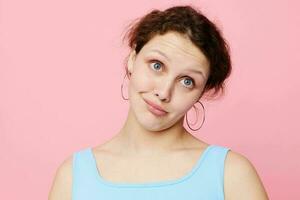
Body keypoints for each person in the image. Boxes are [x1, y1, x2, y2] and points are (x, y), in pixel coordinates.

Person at [49, 5, 269, 200]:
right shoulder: (74, 177)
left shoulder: (232, 175)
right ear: (133, 59)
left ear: (201, 92)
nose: (164, 92)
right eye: (157, 65)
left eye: (187, 81)